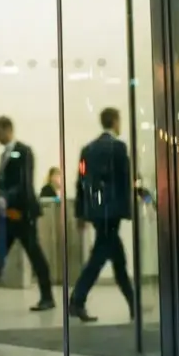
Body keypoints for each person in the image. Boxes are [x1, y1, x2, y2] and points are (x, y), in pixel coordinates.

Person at [0, 116, 54, 312]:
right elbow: (7, 183)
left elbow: (23, 184)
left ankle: (47, 297)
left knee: (35, 256)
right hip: (8, 216)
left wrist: (9, 200)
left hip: (22, 214)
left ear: (7, 130)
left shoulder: (24, 152)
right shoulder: (4, 155)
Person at [70, 107, 135, 323]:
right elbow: (124, 180)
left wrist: (81, 212)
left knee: (116, 257)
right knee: (100, 258)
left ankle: (133, 305)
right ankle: (77, 300)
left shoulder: (87, 150)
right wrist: (128, 210)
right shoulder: (119, 147)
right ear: (115, 122)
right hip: (113, 211)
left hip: (96, 212)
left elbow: (80, 182)